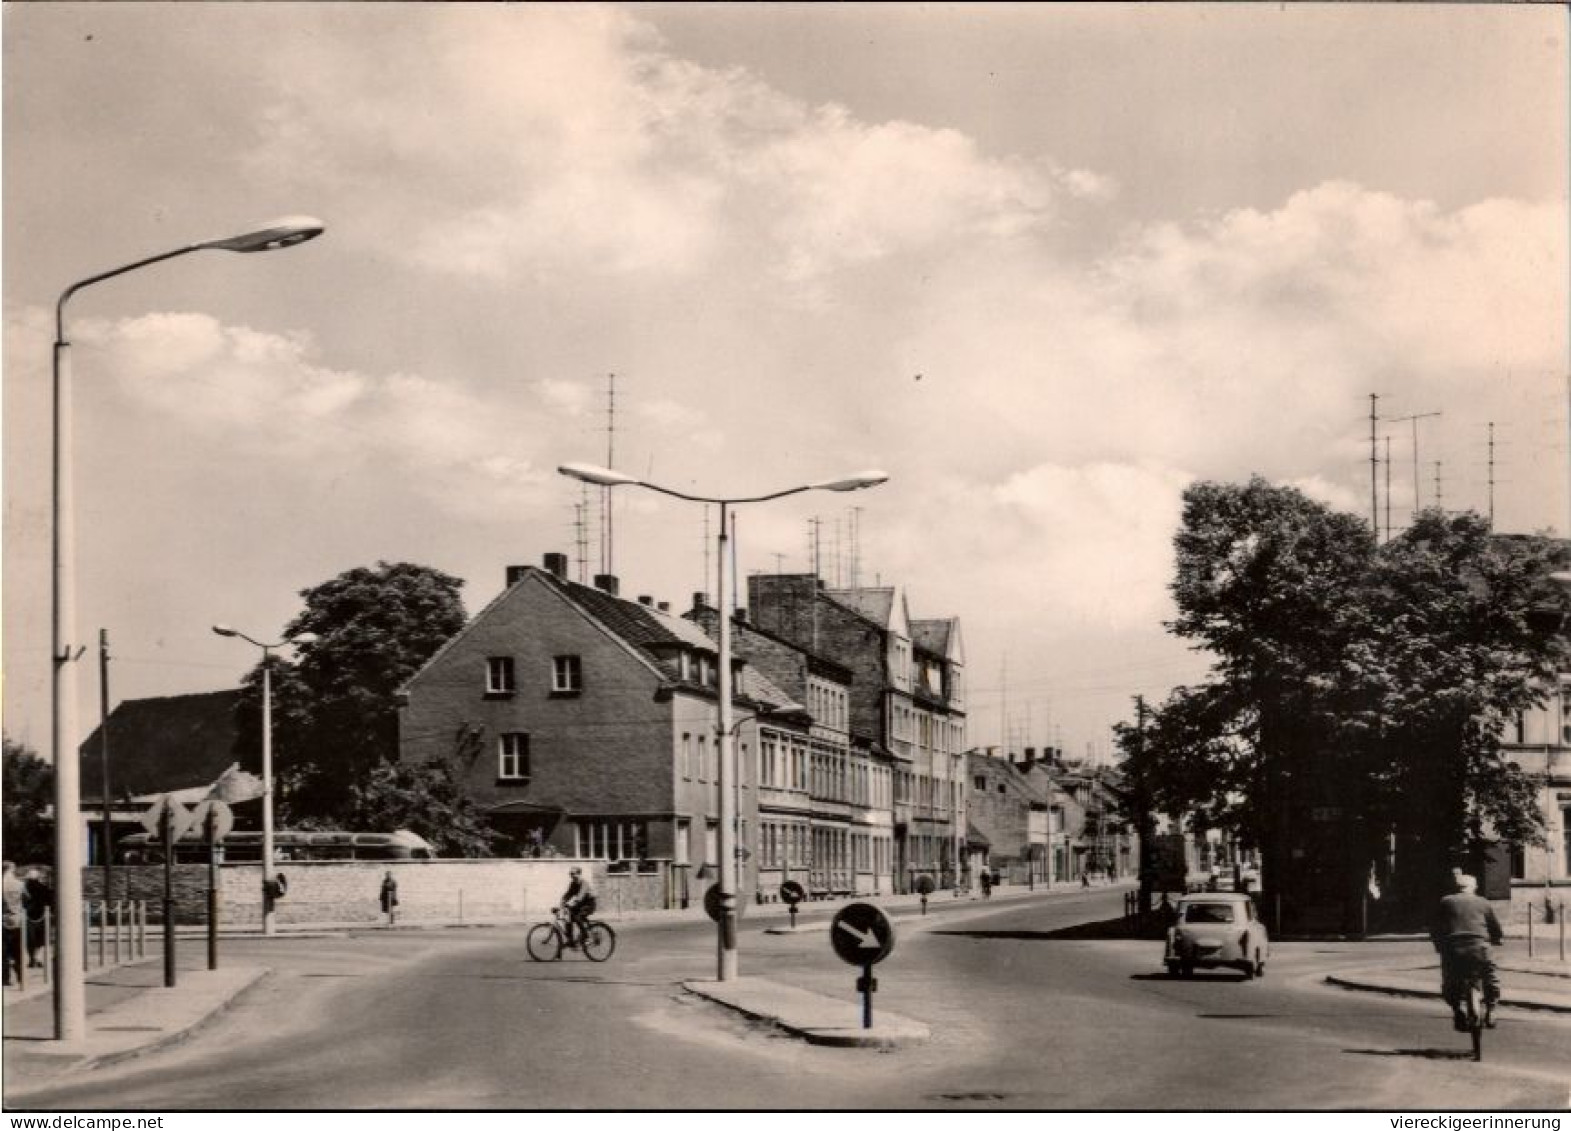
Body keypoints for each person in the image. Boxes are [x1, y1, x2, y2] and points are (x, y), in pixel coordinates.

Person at [1430, 872, 1504, 1031]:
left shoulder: (1446, 901)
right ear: (1474, 888)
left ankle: (1457, 1010)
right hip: (1479, 949)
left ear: (1456, 887)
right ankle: (1491, 1010)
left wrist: (1439, 945)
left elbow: (1435, 928)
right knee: (1491, 976)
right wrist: (1498, 938)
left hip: (1454, 950)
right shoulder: (1483, 902)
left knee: (1449, 980)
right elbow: (1495, 927)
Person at [23, 869, 52, 968]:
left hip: (27, 915)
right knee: (40, 938)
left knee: (29, 939)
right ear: (38, 877)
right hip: (42, 915)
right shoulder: (44, 888)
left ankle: (32, 958)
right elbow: (50, 901)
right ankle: (37, 957)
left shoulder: (24, 888)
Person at [561, 866, 596, 947]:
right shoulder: (573, 883)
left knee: (577, 917)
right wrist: (562, 901)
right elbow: (568, 894)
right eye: (570, 874)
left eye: (573, 874)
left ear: (579, 874)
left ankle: (587, 938)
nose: (571, 876)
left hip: (589, 904)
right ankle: (570, 940)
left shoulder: (584, 883)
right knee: (568, 918)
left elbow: (580, 897)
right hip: (581, 904)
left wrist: (570, 904)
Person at [2, 862, 23, 987]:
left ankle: (5, 978)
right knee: (17, 950)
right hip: (17, 919)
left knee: (3, 951)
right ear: (12, 869)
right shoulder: (19, 884)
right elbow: (27, 898)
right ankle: (21, 975)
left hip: (3, 919)